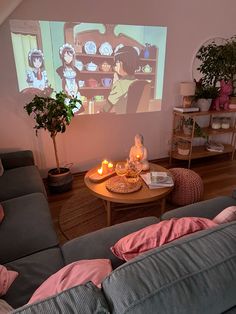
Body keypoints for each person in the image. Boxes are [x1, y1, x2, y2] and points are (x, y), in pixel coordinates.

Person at [102, 46, 139, 114]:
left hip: (121, 121)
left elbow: (107, 108)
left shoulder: (120, 84)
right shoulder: (139, 82)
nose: (115, 65)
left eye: (117, 62)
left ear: (124, 63)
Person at [56, 43, 84, 113]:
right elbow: (62, 84)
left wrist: (75, 91)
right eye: (66, 56)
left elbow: (76, 83)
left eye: (70, 56)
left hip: (75, 94)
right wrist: (67, 93)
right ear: (62, 57)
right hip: (66, 95)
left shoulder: (76, 70)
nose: (68, 58)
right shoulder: (60, 70)